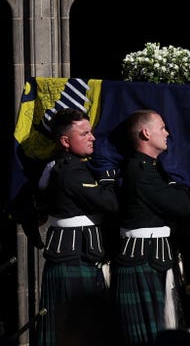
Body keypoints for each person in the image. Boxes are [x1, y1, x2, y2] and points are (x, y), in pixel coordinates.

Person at [34, 108, 119, 346]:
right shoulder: (71, 171)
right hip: (74, 258)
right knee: (80, 330)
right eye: (85, 134)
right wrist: (108, 179)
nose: (92, 138)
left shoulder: (66, 166)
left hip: (76, 255)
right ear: (65, 141)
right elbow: (110, 204)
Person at [111, 109, 190, 346]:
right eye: (162, 128)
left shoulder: (153, 168)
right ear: (146, 133)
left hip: (155, 257)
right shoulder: (140, 171)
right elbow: (181, 206)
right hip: (144, 259)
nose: (167, 133)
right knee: (148, 334)